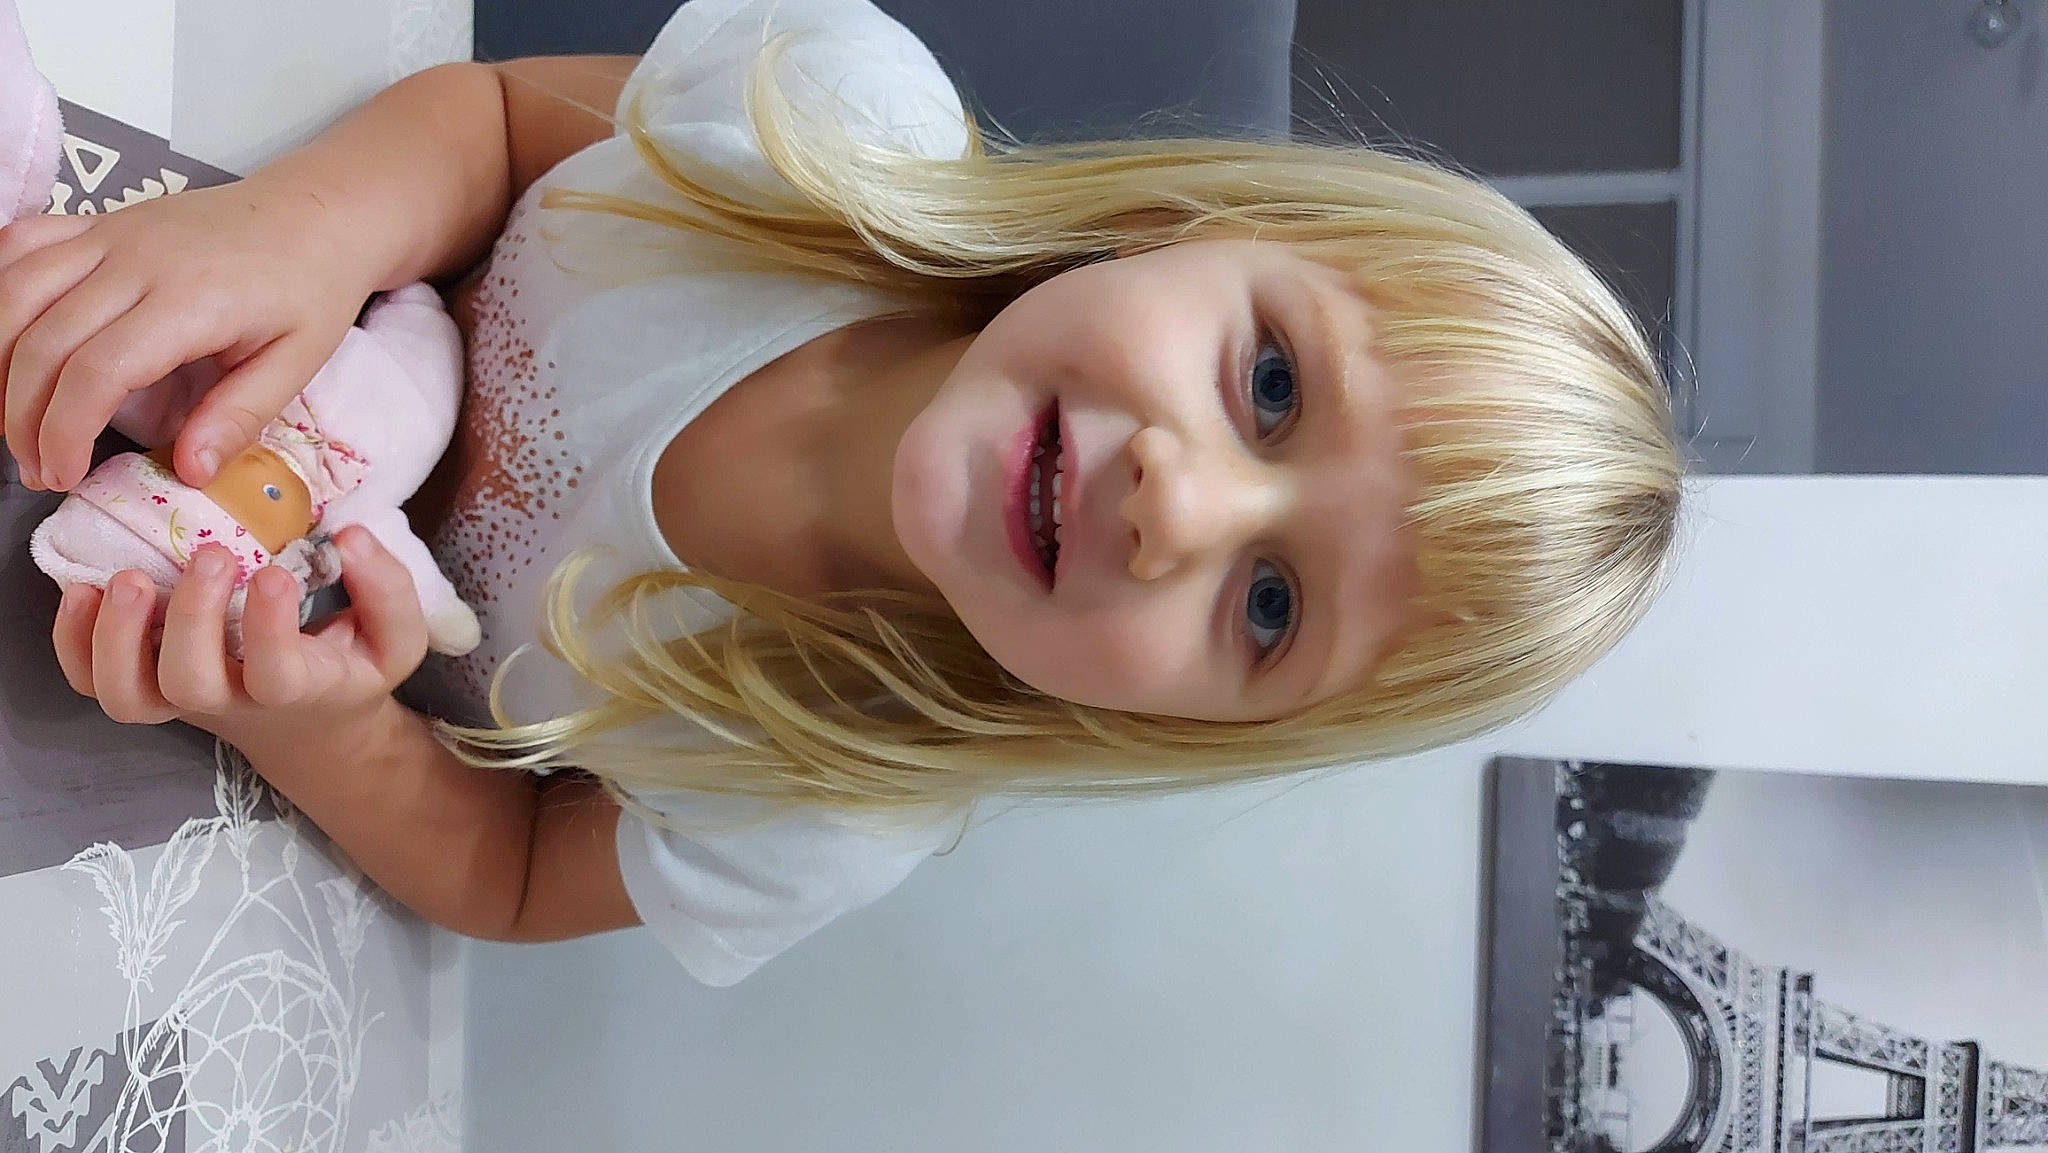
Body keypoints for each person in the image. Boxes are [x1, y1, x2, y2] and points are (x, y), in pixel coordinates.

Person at [0, 0, 1683, 986]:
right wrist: (305, 229)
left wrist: (319, 727)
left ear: (1200, 726)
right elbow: (510, 121)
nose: (1178, 508)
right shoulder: (824, 121)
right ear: (1198, 229)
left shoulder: (825, 797)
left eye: (1266, 605)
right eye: (1268, 384)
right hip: (181, 298)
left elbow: (510, 872)